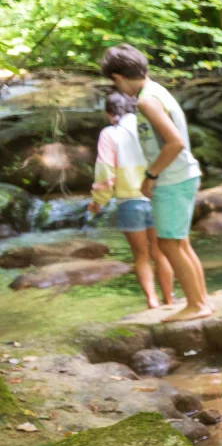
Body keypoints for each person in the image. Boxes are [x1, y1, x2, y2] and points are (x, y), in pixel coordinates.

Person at [97, 44, 212, 322]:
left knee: (169, 244)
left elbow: (175, 143)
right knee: (179, 242)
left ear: (118, 77)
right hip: (182, 176)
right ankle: (201, 299)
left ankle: (197, 305)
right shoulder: (157, 91)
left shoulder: (147, 101)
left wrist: (151, 176)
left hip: (173, 178)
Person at [89, 91, 175, 308]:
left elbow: (105, 171)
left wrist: (98, 201)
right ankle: (169, 299)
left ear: (110, 114)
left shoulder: (110, 133)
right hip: (157, 198)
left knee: (141, 255)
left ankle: (152, 301)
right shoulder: (148, 129)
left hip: (129, 202)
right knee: (161, 252)